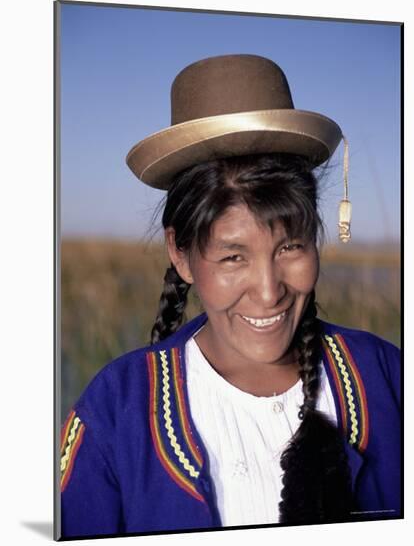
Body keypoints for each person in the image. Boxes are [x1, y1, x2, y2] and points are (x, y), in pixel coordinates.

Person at [60, 55, 401, 538]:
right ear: (181, 254)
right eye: (233, 257)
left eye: (290, 246)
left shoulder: (387, 378)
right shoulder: (115, 411)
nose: (269, 292)